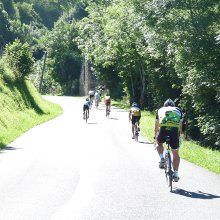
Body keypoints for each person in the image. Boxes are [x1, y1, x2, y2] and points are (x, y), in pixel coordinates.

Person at [154, 98, 183, 182]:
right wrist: (179, 136)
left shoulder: (160, 110)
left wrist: (155, 136)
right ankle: (176, 174)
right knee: (175, 153)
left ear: (164, 105)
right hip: (174, 132)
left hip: (163, 130)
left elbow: (156, 126)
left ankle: (162, 158)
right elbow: (180, 126)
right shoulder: (178, 110)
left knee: (159, 143)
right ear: (173, 105)